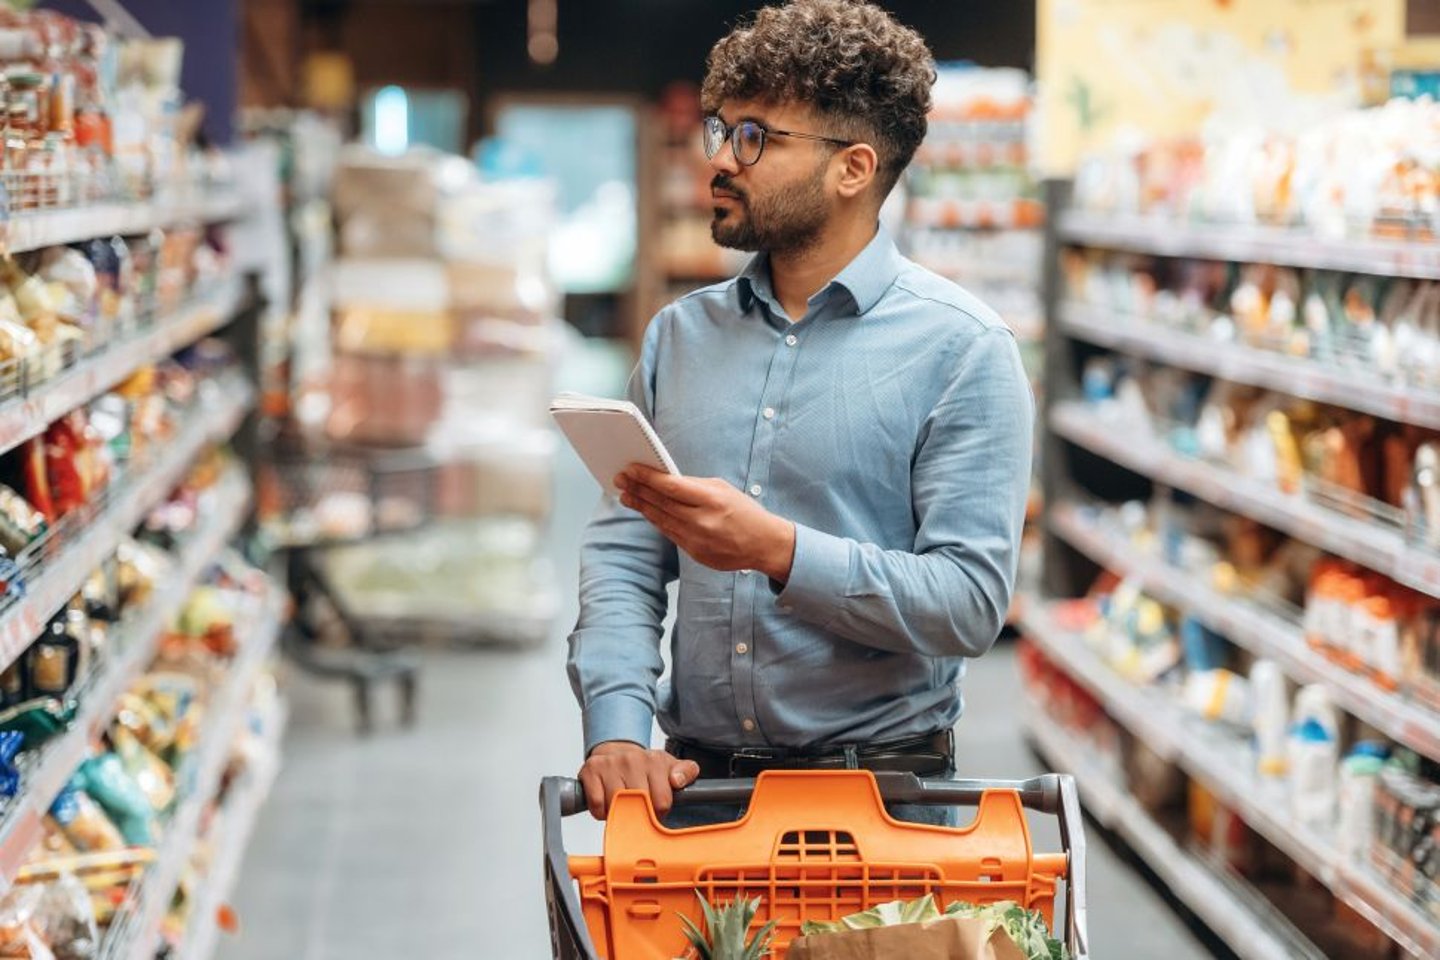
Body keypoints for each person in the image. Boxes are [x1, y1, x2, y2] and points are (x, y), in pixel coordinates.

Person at [568, 0, 1033, 826]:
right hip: (697, 798)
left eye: (756, 137)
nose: (722, 159)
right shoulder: (680, 338)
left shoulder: (963, 350)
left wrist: (778, 551)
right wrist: (615, 730)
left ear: (852, 169)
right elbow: (625, 555)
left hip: (881, 812)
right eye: (722, 130)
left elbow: (968, 603)